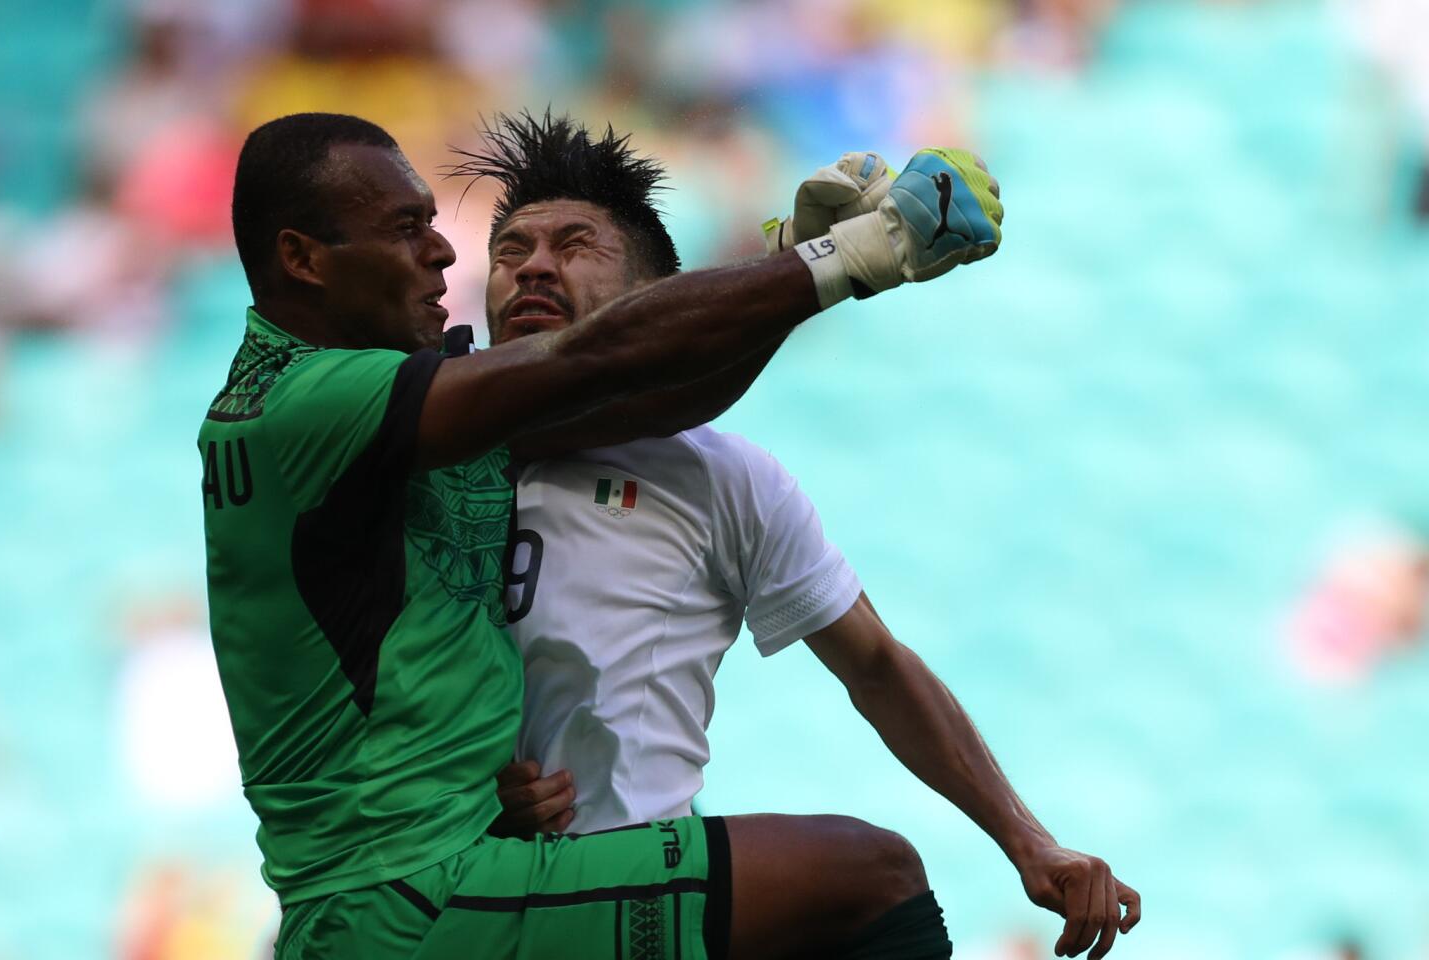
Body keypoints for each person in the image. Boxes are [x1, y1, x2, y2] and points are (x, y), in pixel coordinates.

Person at [201, 110, 1010, 959]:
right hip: (416, 897)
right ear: (300, 259)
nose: (445, 252)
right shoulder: (321, 405)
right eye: (408, 229)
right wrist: (857, 254)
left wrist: (780, 277)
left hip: (428, 883)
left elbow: (644, 395)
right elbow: (598, 363)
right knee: (871, 877)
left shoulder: (384, 414)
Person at [458, 113, 1141, 960]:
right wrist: (814, 269)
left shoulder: (720, 477)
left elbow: (876, 665)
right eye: (510, 250)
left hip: (639, 889)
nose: (531, 266)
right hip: (463, 887)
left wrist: (1030, 840)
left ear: (649, 297)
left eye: (574, 245)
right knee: (873, 875)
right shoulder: (428, 444)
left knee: (872, 877)